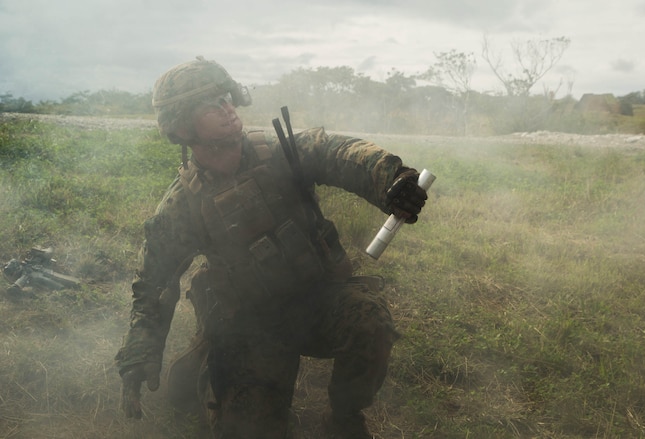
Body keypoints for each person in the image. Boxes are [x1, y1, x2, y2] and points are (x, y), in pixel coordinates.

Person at [115, 56, 428, 438]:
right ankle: (202, 364)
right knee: (248, 429)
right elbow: (152, 284)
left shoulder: (281, 150)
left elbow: (338, 152)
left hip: (318, 299)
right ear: (182, 126)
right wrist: (140, 353)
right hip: (251, 326)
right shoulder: (182, 205)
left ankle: (344, 419)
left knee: (370, 322)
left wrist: (392, 179)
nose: (227, 109)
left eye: (225, 97)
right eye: (209, 105)